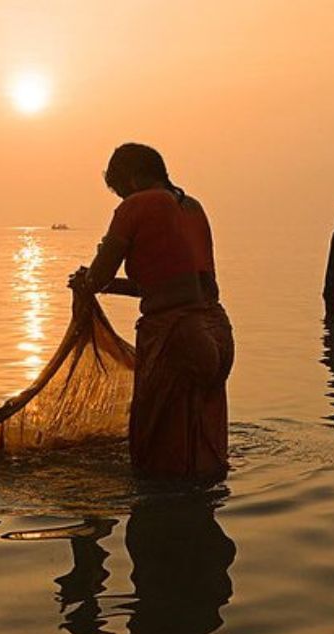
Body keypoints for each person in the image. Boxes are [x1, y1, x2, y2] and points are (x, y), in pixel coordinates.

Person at [69, 143, 234, 483]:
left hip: (177, 335)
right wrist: (108, 286)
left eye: (120, 191)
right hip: (217, 331)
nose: (121, 200)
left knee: (157, 457)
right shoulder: (193, 207)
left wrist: (86, 280)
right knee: (201, 453)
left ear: (132, 179)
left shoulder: (137, 205)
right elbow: (165, 284)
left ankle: (163, 526)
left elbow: (97, 276)